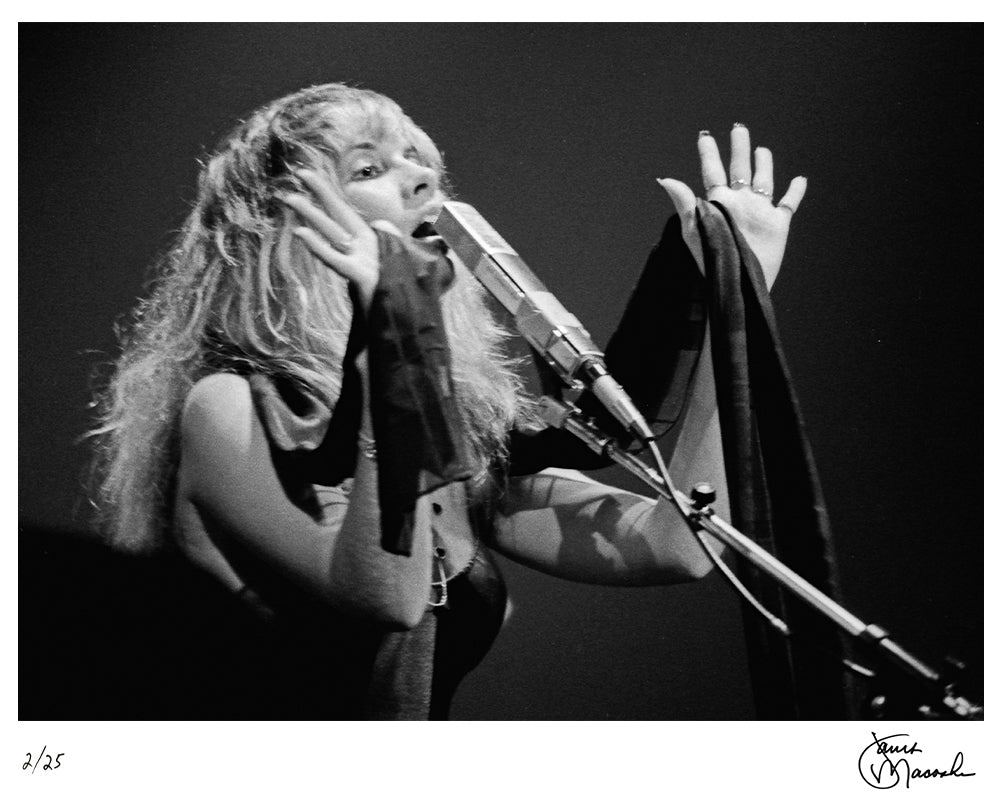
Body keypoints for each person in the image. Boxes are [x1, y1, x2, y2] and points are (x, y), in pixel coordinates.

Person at [90, 83, 806, 719]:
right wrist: (394, 340)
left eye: (417, 156)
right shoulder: (233, 407)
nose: (421, 175)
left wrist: (734, 303)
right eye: (369, 168)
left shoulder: (452, 434)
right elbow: (389, 597)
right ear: (285, 228)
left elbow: (676, 543)